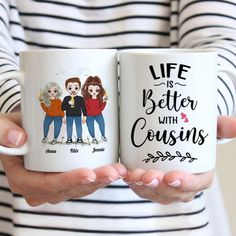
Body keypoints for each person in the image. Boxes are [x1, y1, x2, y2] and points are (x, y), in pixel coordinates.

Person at [0, 0, 236, 235]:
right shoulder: (69, 98)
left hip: (171, 219)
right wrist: (18, 115)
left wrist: (203, 112)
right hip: (22, 217)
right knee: (70, 130)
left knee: (95, 129)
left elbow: (223, 45)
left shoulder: (89, 97)